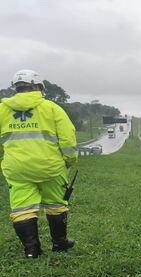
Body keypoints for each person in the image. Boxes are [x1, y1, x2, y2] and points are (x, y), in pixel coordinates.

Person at [0, 69, 77, 258]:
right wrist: (69, 160)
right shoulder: (51, 108)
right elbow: (68, 138)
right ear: (38, 87)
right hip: (51, 167)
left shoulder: (2, 110)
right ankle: (59, 243)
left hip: (17, 168)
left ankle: (31, 251)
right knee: (56, 205)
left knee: (22, 209)